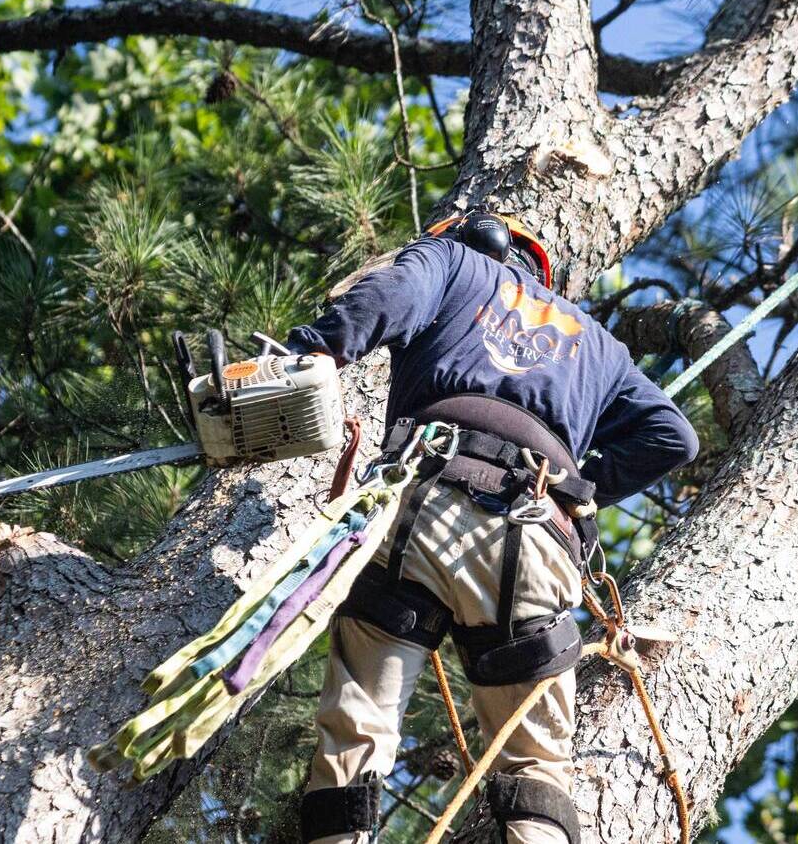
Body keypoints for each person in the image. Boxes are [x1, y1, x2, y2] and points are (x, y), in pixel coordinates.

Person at [286, 211, 699, 844]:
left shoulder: (449, 261)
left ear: (468, 237)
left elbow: (388, 296)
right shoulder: (599, 344)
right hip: (536, 536)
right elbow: (674, 437)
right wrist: (573, 493)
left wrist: (311, 350)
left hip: (423, 506)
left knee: (360, 727)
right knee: (536, 767)